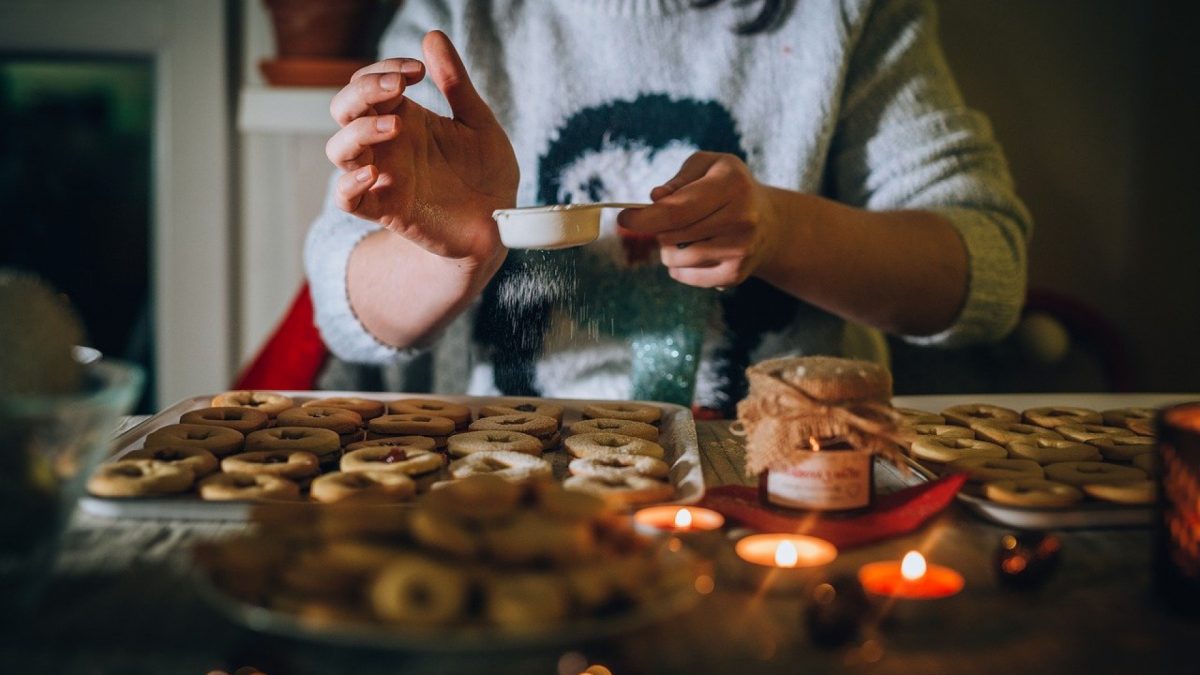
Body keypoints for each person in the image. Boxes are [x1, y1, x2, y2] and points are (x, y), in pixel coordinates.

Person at [305, 0, 1031, 414]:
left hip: (797, 478)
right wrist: (457, 255)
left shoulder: (844, 14)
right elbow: (346, 304)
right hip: (520, 490)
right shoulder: (458, 16)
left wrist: (781, 230)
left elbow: (984, 273)